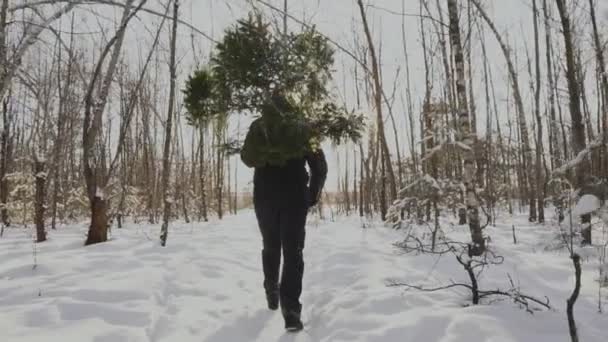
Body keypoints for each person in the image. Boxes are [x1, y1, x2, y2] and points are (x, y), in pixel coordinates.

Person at [240, 95, 327, 332]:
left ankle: (272, 289)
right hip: (294, 197)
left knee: (271, 245)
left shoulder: (259, 126)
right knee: (293, 252)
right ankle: (290, 311)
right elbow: (319, 165)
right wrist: (312, 194)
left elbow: (247, 159)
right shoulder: (303, 127)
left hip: (265, 197)